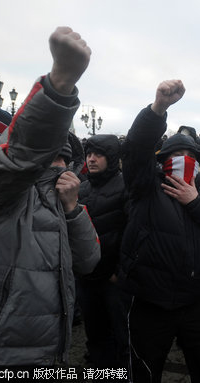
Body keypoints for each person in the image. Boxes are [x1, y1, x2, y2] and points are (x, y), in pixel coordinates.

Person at [0, 26, 100, 367]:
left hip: (49, 351)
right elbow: (20, 156)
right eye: (49, 156)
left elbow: (89, 261)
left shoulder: (65, 197)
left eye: (63, 158)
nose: (55, 165)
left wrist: (73, 210)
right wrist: (59, 86)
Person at [118, 79, 200, 382]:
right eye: (175, 155)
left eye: (190, 156)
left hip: (195, 299)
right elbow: (135, 149)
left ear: (199, 163)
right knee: (145, 371)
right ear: (161, 161)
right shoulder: (146, 185)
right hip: (149, 300)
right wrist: (158, 109)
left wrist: (196, 201)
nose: (183, 160)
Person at [77, 134, 129, 367]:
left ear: (111, 157)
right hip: (88, 277)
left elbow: (133, 233)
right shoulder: (82, 188)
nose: (92, 159)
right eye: (89, 154)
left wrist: (120, 271)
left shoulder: (125, 185)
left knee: (121, 337)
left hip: (113, 279)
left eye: (98, 154)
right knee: (95, 335)